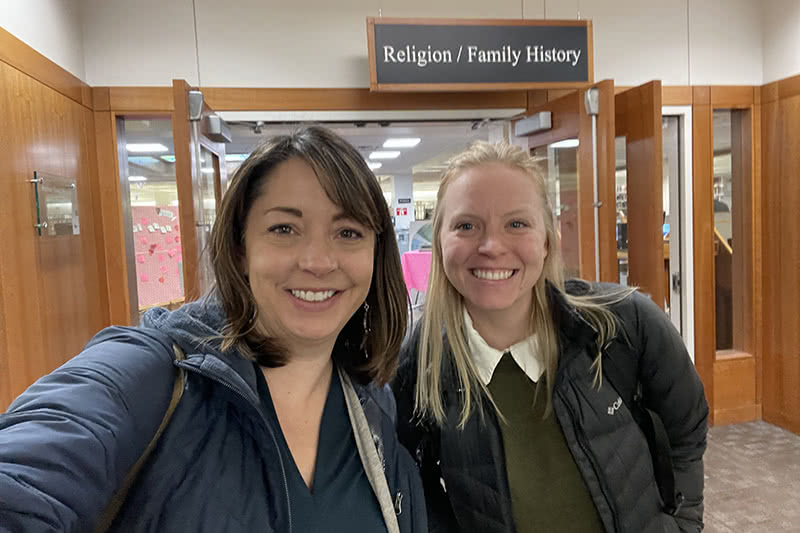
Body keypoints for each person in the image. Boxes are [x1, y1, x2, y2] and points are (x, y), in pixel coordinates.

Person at [0, 126, 426, 532]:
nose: (317, 261)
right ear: (241, 248)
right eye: (284, 229)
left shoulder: (373, 403)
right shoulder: (152, 374)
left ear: (376, 252)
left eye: (347, 232)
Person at [393, 141, 708, 533]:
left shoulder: (622, 324)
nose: (492, 246)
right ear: (439, 242)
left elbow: (687, 427)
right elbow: (407, 474)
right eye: (466, 225)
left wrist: (683, 523)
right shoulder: (420, 361)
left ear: (546, 239)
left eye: (517, 224)